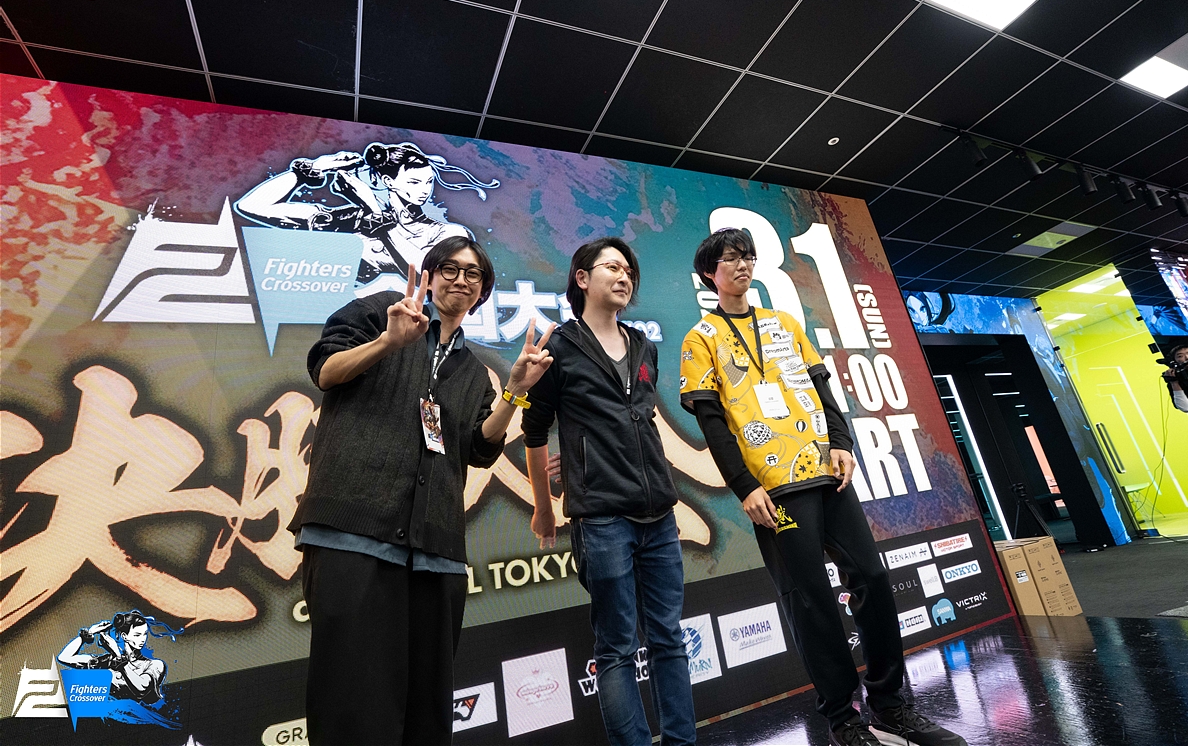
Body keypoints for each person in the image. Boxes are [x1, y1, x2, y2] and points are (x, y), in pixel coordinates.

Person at [680, 229, 966, 746]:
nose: (743, 266)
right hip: (773, 488)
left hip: (826, 473)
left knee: (872, 577)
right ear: (709, 273)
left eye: (748, 257)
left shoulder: (785, 323)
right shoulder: (700, 338)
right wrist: (744, 486)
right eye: (731, 259)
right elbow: (712, 421)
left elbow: (820, 389)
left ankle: (890, 706)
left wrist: (842, 441)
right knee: (811, 599)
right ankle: (843, 719)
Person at [288, 235, 554, 745]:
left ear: (482, 292)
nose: (461, 280)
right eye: (449, 268)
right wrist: (389, 342)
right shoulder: (377, 312)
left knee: (426, 710)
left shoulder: (473, 370)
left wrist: (515, 392)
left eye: (473, 274)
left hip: (435, 552)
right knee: (349, 704)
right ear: (428, 278)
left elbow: (479, 447)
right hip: (353, 534)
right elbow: (325, 370)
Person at [522, 237, 695, 746]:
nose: (624, 277)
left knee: (669, 639)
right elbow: (534, 432)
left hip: (659, 516)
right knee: (617, 647)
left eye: (629, 271)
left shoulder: (644, 346)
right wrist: (543, 509)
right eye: (613, 267)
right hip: (600, 520)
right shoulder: (558, 347)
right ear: (582, 278)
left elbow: (640, 422)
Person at [235, 142, 498, 287]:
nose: (424, 190)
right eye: (414, 182)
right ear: (388, 181)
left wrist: (373, 207)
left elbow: (422, 274)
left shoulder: (448, 232)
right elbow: (252, 206)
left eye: (428, 182)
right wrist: (314, 168)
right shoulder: (352, 220)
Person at [57, 610, 181, 705]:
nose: (143, 639)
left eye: (145, 634)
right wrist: (88, 633)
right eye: (137, 635)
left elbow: (141, 688)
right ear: (124, 636)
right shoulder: (107, 661)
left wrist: (117, 654)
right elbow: (64, 658)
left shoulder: (155, 665)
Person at [1162, 342, 1188, 446]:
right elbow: (1186, 408)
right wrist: (1174, 382)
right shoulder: (1178, 380)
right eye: (1180, 356)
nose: (1187, 357)